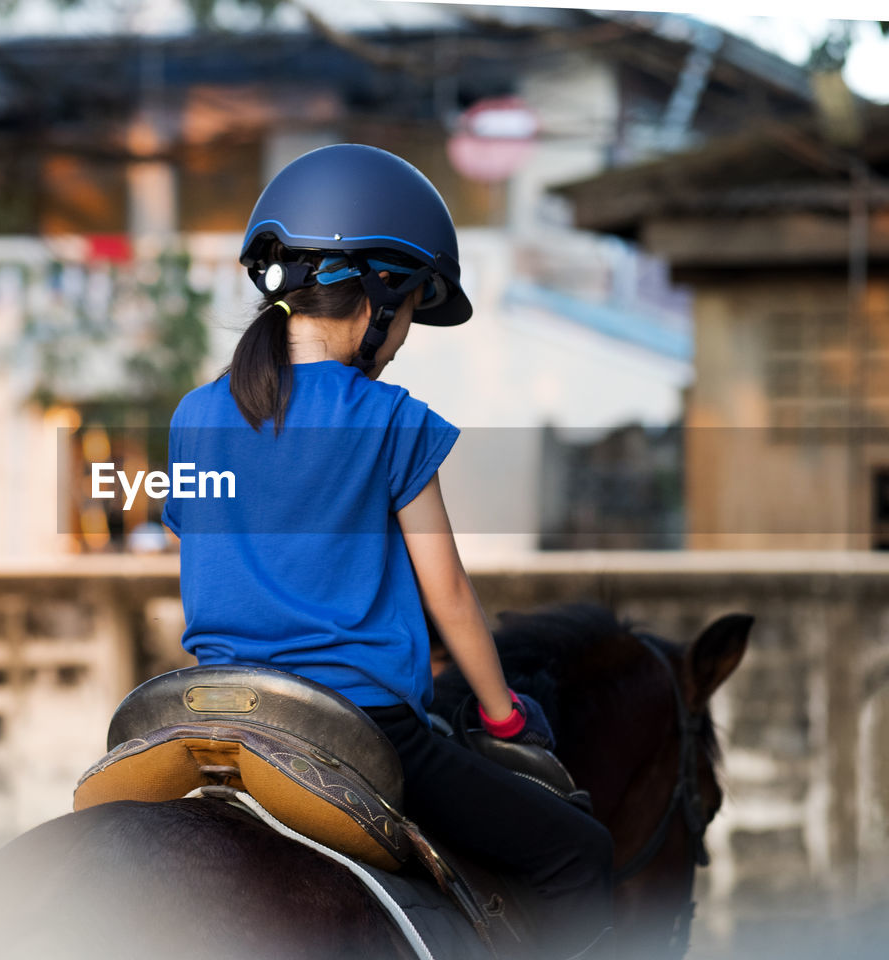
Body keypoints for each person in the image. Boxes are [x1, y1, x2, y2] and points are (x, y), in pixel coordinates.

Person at [159, 144, 613, 960]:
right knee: (581, 855)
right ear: (382, 292)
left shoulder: (195, 414)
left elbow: (195, 542)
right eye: (408, 314)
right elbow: (450, 598)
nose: (403, 340)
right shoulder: (389, 418)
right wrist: (505, 713)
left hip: (213, 709)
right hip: (358, 727)